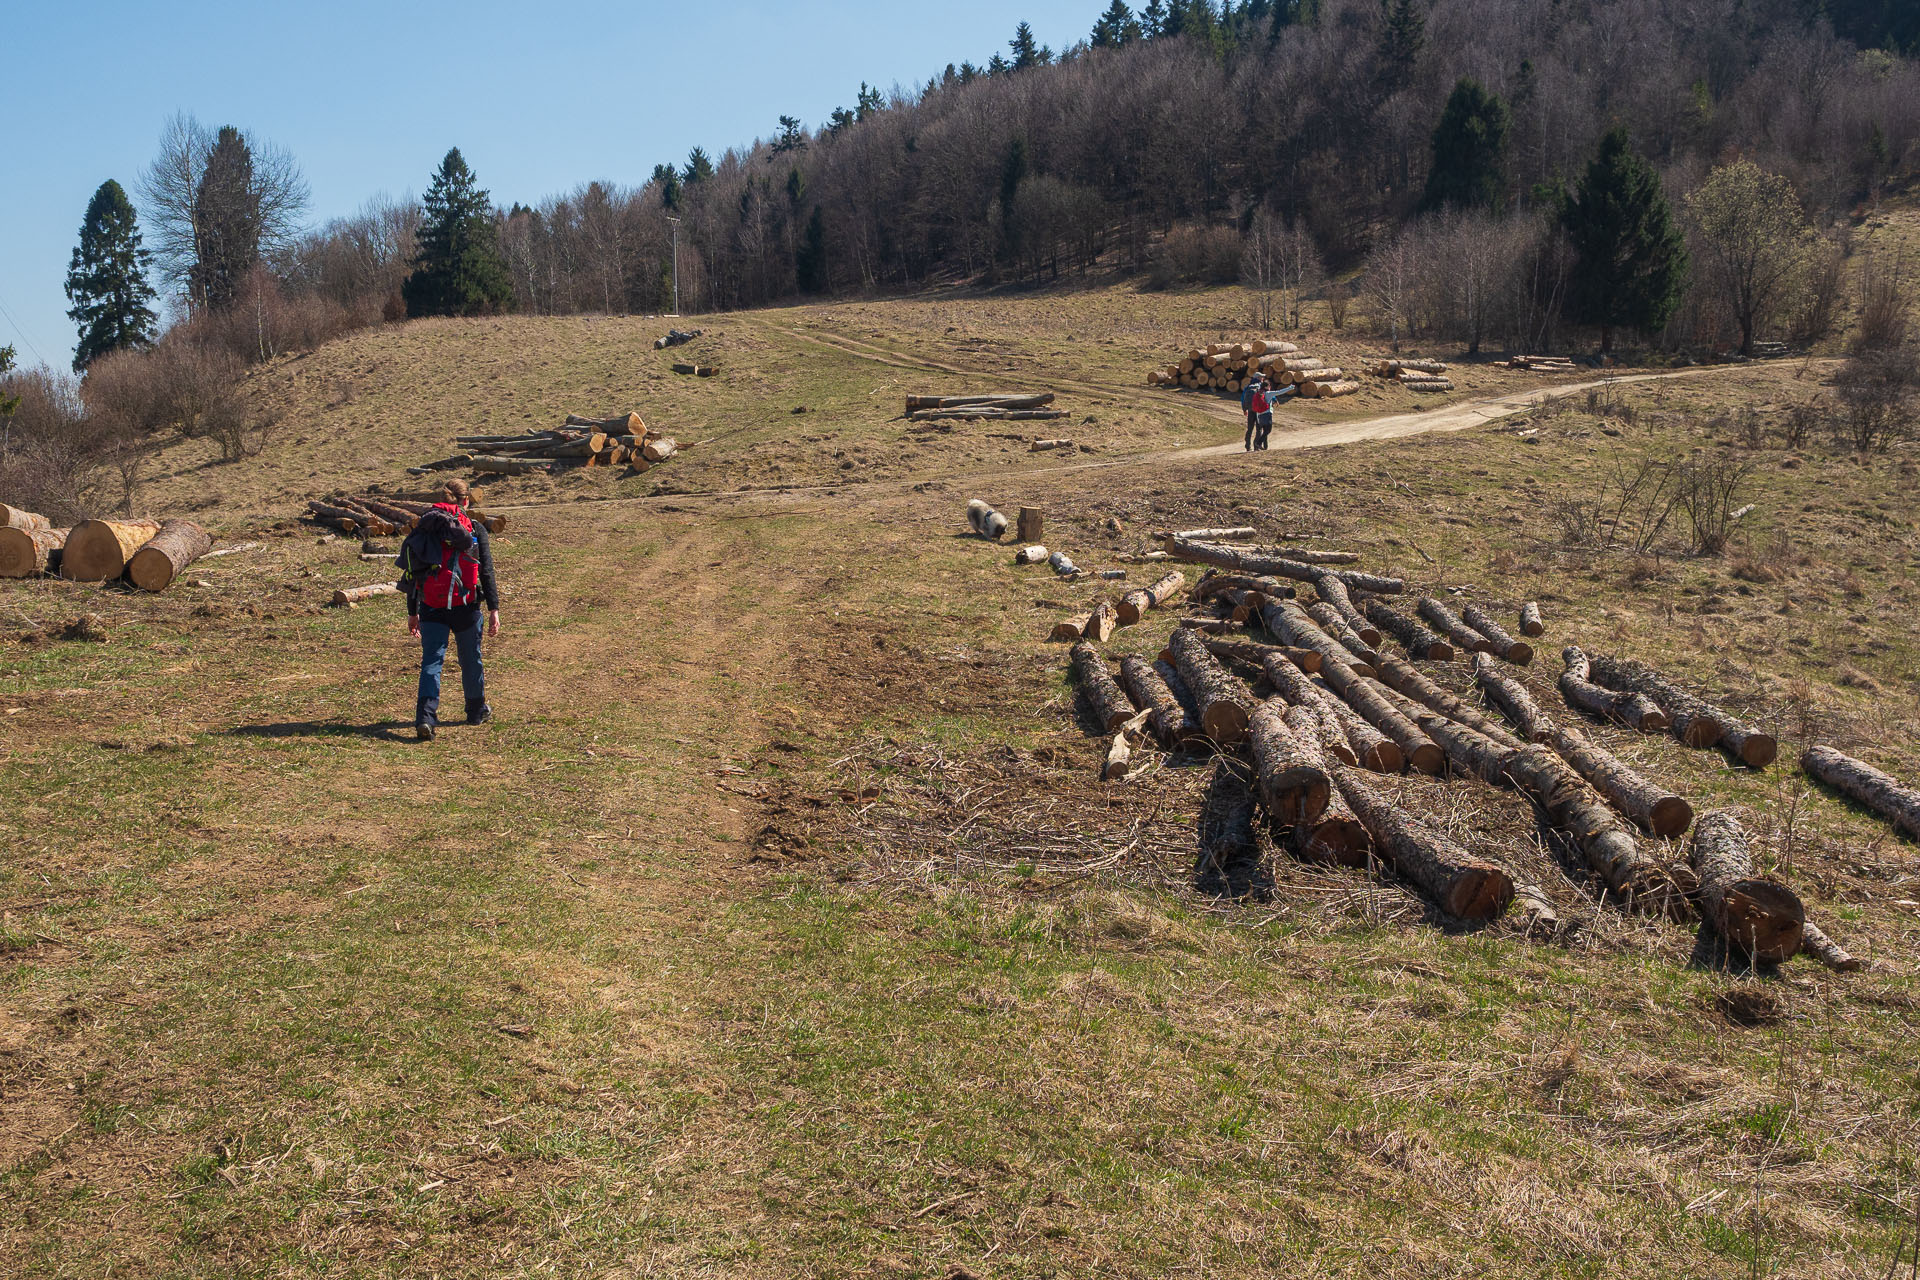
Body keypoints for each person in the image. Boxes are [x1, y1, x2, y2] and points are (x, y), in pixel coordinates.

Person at [401, 479, 499, 740]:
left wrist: (413, 611)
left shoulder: (426, 528)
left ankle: (425, 717)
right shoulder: (474, 529)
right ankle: (476, 710)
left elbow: (414, 572)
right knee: (470, 658)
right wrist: (494, 608)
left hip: (431, 605)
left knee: (432, 661)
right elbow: (486, 570)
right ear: (466, 500)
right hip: (466, 605)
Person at [1251, 378, 1275, 451]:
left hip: (1259, 413)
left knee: (1262, 430)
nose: (1270, 387)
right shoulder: (1267, 393)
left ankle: (1260, 446)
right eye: (1269, 386)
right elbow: (1279, 392)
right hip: (1266, 413)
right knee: (1268, 430)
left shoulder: (1259, 392)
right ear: (1266, 387)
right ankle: (1259, 444)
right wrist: (1290, 387)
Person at [1240, 374, 1263, 451]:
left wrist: (1244, 409)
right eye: (1261, 377)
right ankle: (1256, 446)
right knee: (1259, 428)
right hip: (1258, 410)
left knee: (1250, 428)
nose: (1262, 378)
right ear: (1258, 378)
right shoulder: (1261, 386)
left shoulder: (1248, 387)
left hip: (1250, 409)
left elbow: (1243, 399)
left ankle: (1247, 446)